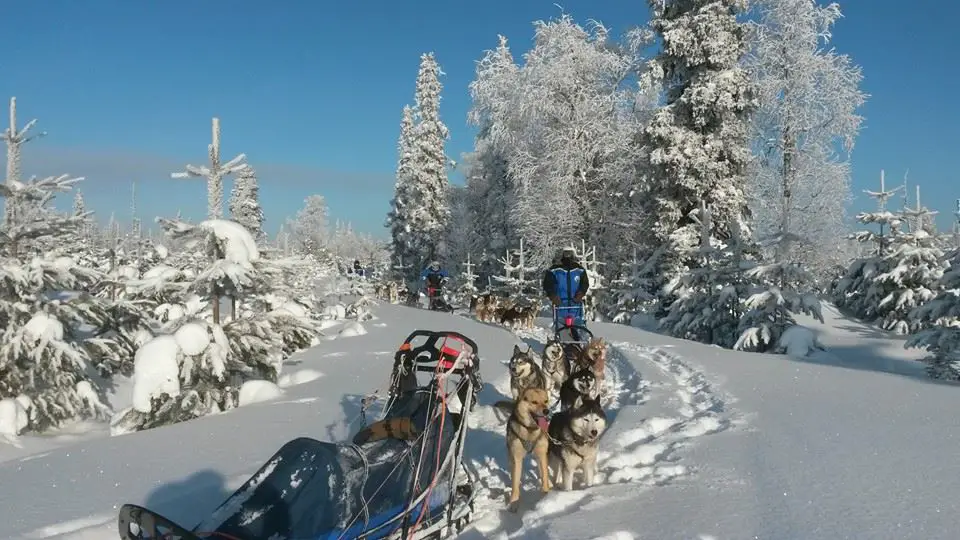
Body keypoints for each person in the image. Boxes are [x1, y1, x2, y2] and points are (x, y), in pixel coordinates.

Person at [542, 247, 590, 333]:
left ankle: (579, 343)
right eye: (566, 253)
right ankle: (560, 343)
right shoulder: (554, 270)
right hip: (560, 304)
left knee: (578, 328)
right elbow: (547, 284)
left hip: (575, 304)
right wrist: (553, 296)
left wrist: (581, 294)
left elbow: (584, 284)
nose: (568, 256)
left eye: (569, 253)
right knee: (560, 329)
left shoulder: (579, 270)